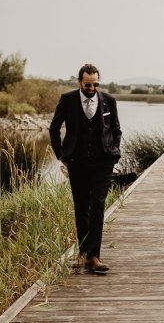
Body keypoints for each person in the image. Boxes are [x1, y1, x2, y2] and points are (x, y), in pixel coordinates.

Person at [49, 63, 122, 273]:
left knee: (98, 206)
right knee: (81, 208)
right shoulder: (68, 100)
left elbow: (116, 129)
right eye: (88, 84)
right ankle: (82, 253)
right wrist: (62, 156)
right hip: (77, 162)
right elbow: (54, 129)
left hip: (103, 162)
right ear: (80, 81)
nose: (92, 88)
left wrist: (114, 152)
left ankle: (94, 256)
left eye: (96, 84)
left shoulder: (109, 100)